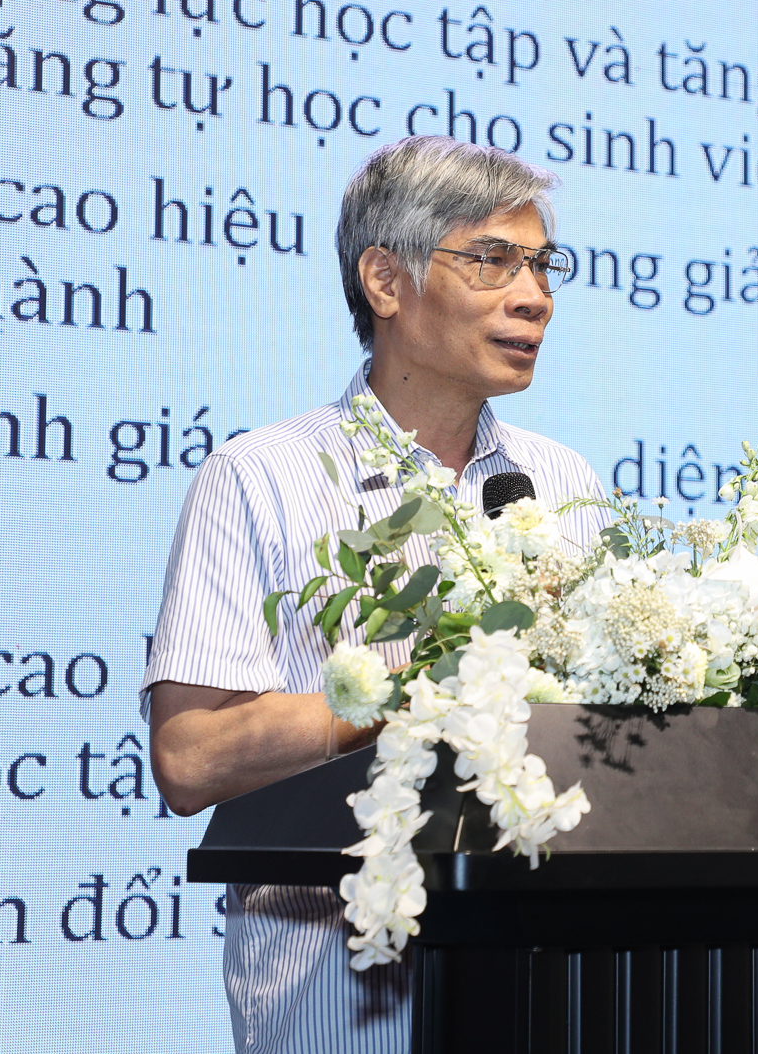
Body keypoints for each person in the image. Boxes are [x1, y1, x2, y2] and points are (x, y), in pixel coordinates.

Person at [141, 136, 606, 1053]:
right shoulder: (262, 476)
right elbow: (189, 757)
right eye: (493, 260)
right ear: (386, 281)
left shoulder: (563, 482)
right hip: (340, 1005)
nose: (534, 296)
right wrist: (411, 694)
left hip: (546, 989)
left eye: (543, 265)